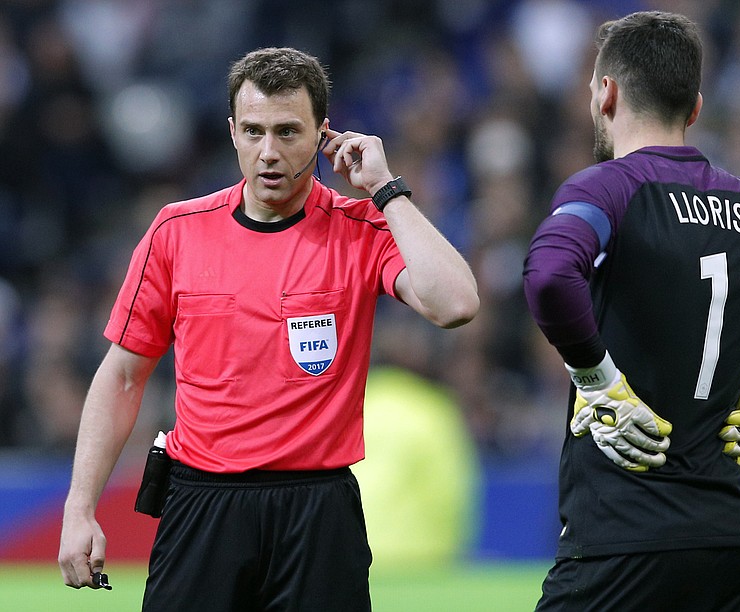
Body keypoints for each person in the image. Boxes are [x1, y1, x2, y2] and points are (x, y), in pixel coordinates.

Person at [57, 46, 479, 611]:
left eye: (288, 132)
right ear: (232, 132)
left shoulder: (360, 228)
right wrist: (80, 509)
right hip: (202, 504)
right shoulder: (176, 232)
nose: (269, 153)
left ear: (323, 135)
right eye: (254, 132)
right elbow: (124, 377)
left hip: (318, 511)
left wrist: (385, 189)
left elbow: (454, 302)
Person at [523, 11, 740, 611]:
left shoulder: (606, 190)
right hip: (729, 540)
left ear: (606, 93)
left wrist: (599, 381)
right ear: (695, 107)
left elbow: (547, 277)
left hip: (621, 538)